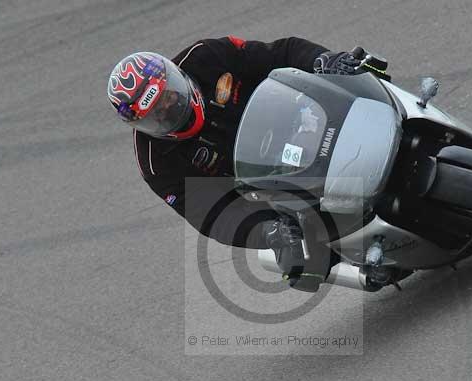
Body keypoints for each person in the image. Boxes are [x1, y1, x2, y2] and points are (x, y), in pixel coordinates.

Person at [107, 37, 365, 292]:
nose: (169, 109)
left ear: (175, 75)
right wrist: (268, 231)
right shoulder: (156, 164)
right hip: (273, 182)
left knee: (356, 75)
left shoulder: (206, 55)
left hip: (302, 120)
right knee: (307, 263)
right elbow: (211, 214)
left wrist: (321, 59)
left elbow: (279, 53)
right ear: (140, 125)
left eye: (168, 96)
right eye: (156, 115)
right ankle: (368, 257)